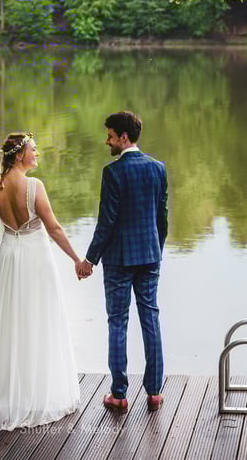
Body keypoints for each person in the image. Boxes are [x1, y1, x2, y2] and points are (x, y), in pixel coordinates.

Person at [0, 131, 84, 430]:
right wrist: (77, 260)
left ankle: (8, 392)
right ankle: (37, 393)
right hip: (35, 259)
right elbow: (53, 228)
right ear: (19, 155)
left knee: (11, 322)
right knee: (40, 319)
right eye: (33, 149)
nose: (37, 153)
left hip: (10, 258)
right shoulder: (34, 187)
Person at [77, 111, 168, 414]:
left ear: (124, 137)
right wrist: (156, 249)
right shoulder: (158, 168)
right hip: (149, 256)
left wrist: (89, 260)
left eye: (111, 136)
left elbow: (106, 223)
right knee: (151, 320)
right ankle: (154, 392)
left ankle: (119, 394)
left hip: (118, 260)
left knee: (118, 322)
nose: (108, 141)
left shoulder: (112, 172)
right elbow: (162, 219)